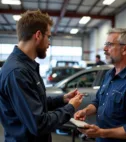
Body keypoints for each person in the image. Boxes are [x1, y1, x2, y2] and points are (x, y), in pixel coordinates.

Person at [0, 10, 83, 142]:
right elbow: (39, 124)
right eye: (48, 37)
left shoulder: (27, 66)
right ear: (38, 35)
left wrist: (62, 100)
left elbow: (35, 101)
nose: (49, 43)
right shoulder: (17, 72)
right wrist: (71, 107)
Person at [74, 28, 126, 142]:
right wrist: (85, 111)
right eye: (106, 44)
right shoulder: (109, 74)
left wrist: (101, 133)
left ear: (125, 49)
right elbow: (98, 102)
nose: (105, 49)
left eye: (109, 45)